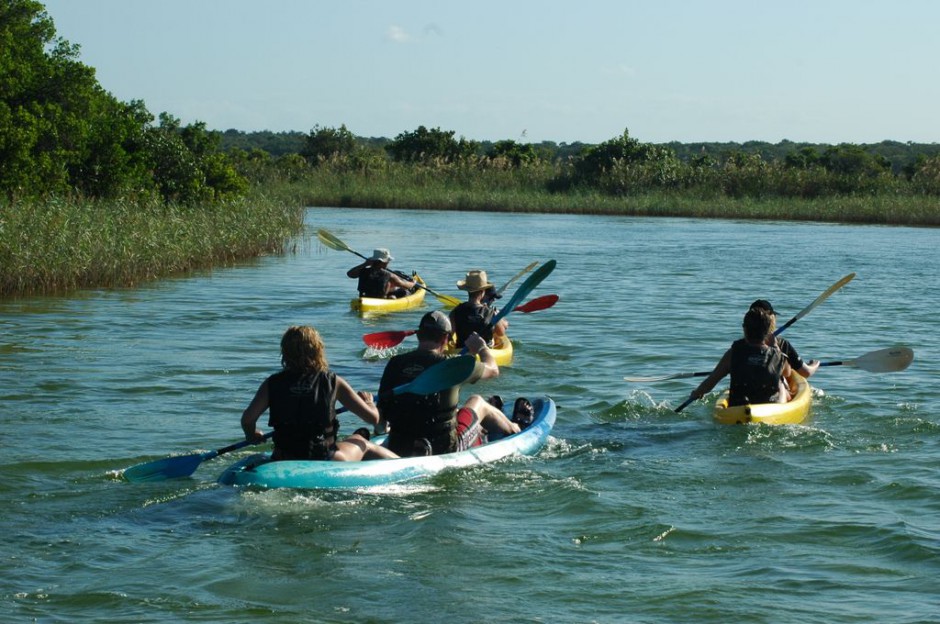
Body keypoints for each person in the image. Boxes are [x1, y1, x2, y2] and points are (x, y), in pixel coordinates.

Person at [241, 325, 399, 461]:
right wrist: (369, 402)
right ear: (317, 351)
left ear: (285, 352)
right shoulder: (333, 381)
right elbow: (372, 418)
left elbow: (248, 420)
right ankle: (406, 465)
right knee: (359, 440)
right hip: (324, 457)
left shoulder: (272, 383)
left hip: (283, 456)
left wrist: (252, 435)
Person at [377, 311, 522, 457]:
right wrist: (481, 348)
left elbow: (382, 411)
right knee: (477, 401)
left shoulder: (395, 363)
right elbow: (493, 370)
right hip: (444, 448)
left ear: (418, 335)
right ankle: (515, 429)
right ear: (446, 338)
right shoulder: (451, 365)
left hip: (400, 445)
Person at [687, 307, 793, 406]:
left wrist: (696, 393)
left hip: (738, 406)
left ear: (744, 329)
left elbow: (712, 380)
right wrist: (775, 347)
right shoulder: (777, 355)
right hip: (767, 408)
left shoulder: (733, 353)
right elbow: (787, 373)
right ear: (767, 331)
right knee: (781, 384)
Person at [749, 299, 821, 380]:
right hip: (772, 389)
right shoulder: (782, 344)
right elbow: (806, 372)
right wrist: (815, 365)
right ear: (772, 319)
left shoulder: (739, 346)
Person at [449, 270, 508, 348]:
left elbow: (450, 335)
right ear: (483, 292)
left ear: (467, 291)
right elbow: (501, 333)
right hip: (484, 351)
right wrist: (497, 317)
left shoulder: (455, 311)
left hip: (461, 349)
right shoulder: (490, 312)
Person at [346, 248, 416, 299]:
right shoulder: (389, 275)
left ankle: (392, 297)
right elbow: (406, 286)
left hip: (363, 298)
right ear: (384, 262)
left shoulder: (363, 271)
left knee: (389, 286)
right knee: (403, 292)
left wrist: (365, 264)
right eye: (388, 261)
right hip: (380, 301)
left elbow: (350, 274)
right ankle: (391, 298)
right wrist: (413, 283)